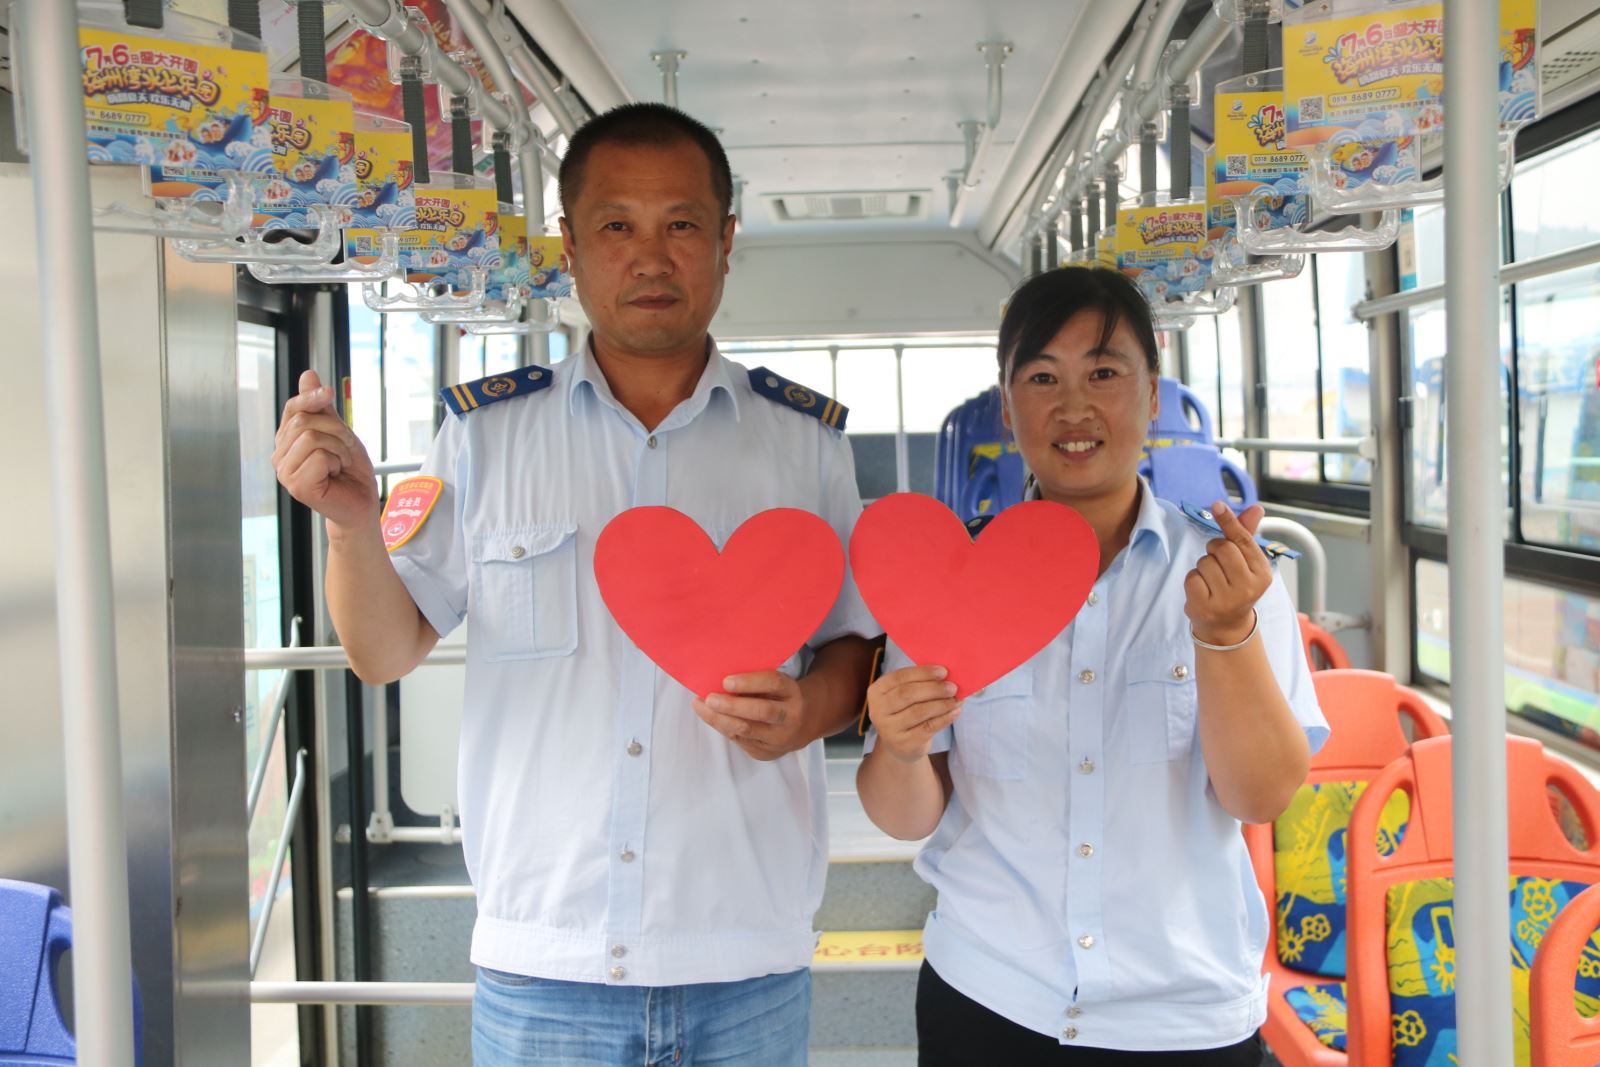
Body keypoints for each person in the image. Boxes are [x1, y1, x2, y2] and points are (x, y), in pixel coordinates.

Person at [272, 102, 876, 1065]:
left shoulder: (805, 444)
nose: (651, 257)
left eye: (682, 224)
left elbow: (854, 645)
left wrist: (808, 711)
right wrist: (350, 523)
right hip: (544, 964)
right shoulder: (485, 436)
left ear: (726, 239)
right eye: (617, 225)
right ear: (570, 244)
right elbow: (383, 650)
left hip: (744, 954)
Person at [857, 266, 1327, 1065]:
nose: (1073, 407)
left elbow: (1260, 796)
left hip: (1181, 1013)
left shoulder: (1229, 577)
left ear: (1153, 394)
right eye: (1043, 378)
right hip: (990, 993)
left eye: (1103, 373)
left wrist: (1224, 633)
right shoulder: (948, 582)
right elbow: (906, 814)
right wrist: (899, 748)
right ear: (1009, 408)